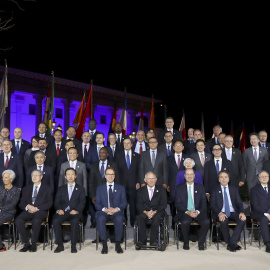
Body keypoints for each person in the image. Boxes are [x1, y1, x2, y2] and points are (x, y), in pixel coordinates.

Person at [15, 169, 53, 252]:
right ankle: (26, 243)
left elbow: (49, 203)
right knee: (18, 220)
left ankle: (33, 243)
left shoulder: (47, 188)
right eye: (33, 175)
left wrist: (37, 208)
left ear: (41, 177)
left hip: (41, 211)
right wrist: (28, 206)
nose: (34, 177)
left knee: (36, 221)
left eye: (36, 175)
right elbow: (21, 203)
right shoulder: (26, 188)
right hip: (28, 211)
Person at [210, 171, 246, 252]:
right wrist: (220, 213)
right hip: (221, 212)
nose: (223, 179)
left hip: (233, 212)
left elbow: (239, 203)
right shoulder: (215, 190)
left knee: (242, 219)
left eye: (225, 177)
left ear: (228, 179)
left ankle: (231, 243)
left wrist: (241, 212)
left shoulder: (234, 189)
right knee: (223, 220)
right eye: (221, 177)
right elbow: (212, 204)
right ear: (219, 179)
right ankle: (230, 243)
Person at [174, 168, 210, 250]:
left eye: (191, 174)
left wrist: (197, 211)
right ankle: (186, 243)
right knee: (185, 222)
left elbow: (204, 204)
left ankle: (201, 243)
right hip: (185, 212)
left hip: (197, 211)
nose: (189, 176)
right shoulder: (179, 188)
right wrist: (188, 212)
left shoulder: (200, 187)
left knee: (206, 222)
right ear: (184, 176)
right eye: (187, 174)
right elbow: (178, 204)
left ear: (194, 176)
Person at [52, 168, 86, 253]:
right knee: (56, 221)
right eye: (68, 174)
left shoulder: (81, 189)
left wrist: (77, 210)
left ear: (75, 176)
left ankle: (73, 245)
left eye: (72, 174)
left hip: (75, 213)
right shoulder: (61, 188)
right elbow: (56, 202)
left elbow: (82, 203)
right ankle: (60, 245)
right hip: (63, 212)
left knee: (74, 222)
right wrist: (59, 209)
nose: (70, 176)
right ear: (65, 177)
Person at [95, 167, 127, 254]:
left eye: (112, 174)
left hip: (116, 212)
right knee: (100, 218)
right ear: (105, 176)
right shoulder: (100, 189)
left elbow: (124, 203)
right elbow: (97, 204)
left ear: (114, 176)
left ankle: (118, 244)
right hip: (104, 212)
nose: (110, 176)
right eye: (108, 174)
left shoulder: (121, 188)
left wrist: (116, 209)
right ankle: (104, 245)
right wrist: (105, 210)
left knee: (119, 219)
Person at [88, 147, 119, 230]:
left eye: (104, 152)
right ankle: (101, 237)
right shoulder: (94, 165)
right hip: (97, 196)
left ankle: (111, 235)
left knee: (110, 214)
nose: (102, 154)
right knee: (100, 216)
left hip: (110, 194)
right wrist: (92, 196)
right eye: (100, 153)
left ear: (107, 154)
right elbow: (91, 183)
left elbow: (117, 181)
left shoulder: (113, 165)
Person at [136, 171, 167, 246]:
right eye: (149, 178)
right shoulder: (140, 191)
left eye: (153, 178)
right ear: (145, 180)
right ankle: (142, 241)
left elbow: (163, 205)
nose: (151, 180)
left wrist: (154, 212)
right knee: (140, 217)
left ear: (156, 179)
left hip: (157, 212)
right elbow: (138, 205)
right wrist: (146, 212)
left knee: (157, 217)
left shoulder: (162, 190)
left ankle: (153, 241)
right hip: (144, 212)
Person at [114, 138, 140, 227]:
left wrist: (138, 182)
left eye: (128, 143)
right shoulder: (118, 155)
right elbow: (116, 171)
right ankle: (123, 221)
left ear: (132, 145)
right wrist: (117, 184)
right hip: (121, 185)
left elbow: (139, 170)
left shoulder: (137, 156)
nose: (126, 145)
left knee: (133, 205)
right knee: (122, 205)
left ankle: (133, 223)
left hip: (134, 185)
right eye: (124, 143)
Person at [167, 140, 188, 229]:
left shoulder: (187, 158)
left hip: (184, 185)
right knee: (173, 204)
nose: (178, 147)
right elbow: (166, 172)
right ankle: (173, 223)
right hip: (172, 185)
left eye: (180, 146)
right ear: (173, 147)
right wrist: (167, 184)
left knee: (183, 203)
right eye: (176, 145)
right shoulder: (169, 158)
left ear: (183, 147)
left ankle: (182, 222)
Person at [0, 170, 21, 252]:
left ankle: (1, 246)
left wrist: (1, 209)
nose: (3, 179)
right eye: (3, 177)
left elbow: (13, 204)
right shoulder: (0, 189)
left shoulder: (16, 190)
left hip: (9, 212)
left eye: (6, 177)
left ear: (11, 179)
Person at [250, 170, 270, 253]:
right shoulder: (254, 190)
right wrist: (266, 214)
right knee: (264, 219)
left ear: (268, 178)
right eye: (262, 176)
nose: (264, 178)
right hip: (259, 213)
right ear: (259, 179)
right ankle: (268, 243)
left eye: (266, 176)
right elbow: (255, 206)